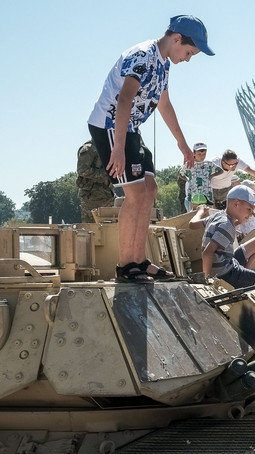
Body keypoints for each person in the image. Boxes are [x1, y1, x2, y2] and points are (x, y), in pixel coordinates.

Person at [87, 15, 214, 282]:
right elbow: (124, 99)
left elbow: (164, 105)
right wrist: (118, 148)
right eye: (189, 52)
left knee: (150, 189)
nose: (188, 59)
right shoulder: (144, 56)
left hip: (131, 128)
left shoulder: (163, 65)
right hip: (111, 126)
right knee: (135, 193)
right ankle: (125, 266)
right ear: (176, 39)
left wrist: (182, 144)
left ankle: (140, 260)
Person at [189, 185, 255, 289]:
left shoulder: (218, 216)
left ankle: (246, 274)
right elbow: (207, 252)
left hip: (227, 263)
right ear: (236, 204)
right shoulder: (227, 226)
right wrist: (207, 281)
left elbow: (192, 224)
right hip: (227, 274)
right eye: (249, 209)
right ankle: (244, 278)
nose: (250, 214)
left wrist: (201, 211)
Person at [76, 140, 115, 223]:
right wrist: (104, 174)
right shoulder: (89, 149)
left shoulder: (108, 148)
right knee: (91, 228)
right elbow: (82, 170)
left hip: (106, 194)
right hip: (92, 195)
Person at [179, 142, 217, 211]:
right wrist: (187, 179)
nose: (202, 156)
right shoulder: (190, 163)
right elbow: (180, 173)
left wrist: (211, 176)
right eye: (199, 154)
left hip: (206, 191)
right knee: (194, 211)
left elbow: (220, 170)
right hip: (194, 192)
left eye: (204, 154)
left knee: (207, 210)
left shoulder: (208, 164)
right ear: (194, 153)